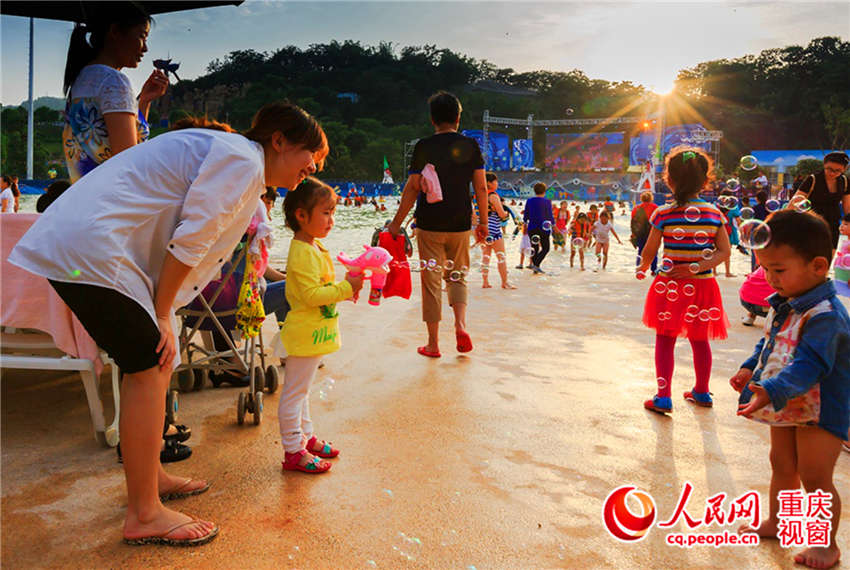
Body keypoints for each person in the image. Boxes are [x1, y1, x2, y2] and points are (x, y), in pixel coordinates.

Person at [9, 101, 329, 546]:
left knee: (154, 361)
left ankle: (151, 476)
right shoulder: (241, 160)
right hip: (92, 252)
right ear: (278, 141)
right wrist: (161, 314)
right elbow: (192, 239)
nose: (310, 169)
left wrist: (162, 313)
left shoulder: (234, 155)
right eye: (308, 157)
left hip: (92, 249)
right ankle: (144, 513)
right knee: (148, 363)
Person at [733, 210, 849, 570]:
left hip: (819, 408)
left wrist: (770, 389)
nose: (769, 278)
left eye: (778, 270)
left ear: (817, 266)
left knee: (815, 477)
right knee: (781, 463)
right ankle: (778, 522)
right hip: (786, 400)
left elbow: (810, 364)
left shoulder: (825, 314)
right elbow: (770, 342)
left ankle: (825, 545)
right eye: (765, 269)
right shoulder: (786, 304)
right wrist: (749, 367)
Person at [388, 91, 488, 358]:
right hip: (460, 223)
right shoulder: (470, 145)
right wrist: (484, 222)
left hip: (430, 223)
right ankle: (460, 325)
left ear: (433, 119)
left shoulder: (423, 146)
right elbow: (480, 187)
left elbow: (411, 189)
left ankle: (433, 344)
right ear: (458, 117)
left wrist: (396, 224)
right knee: (457, 276)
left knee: (431, 282)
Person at [636, 148, 731, 413]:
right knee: (700, 340)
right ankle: (702, 391)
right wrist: (697, 267)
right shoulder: (714, 213)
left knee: (665, 339)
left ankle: (663, 397)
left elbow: (650, 250)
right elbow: (724, 252)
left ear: (669, 179)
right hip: (703, 285)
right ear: (705, 180)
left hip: (669, 285)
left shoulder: (664, 213)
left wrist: (643, 266)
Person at [277, 177, 361, 473]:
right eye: (325, 212)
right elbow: (312, 295)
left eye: (332, 212)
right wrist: (345, 289)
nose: (332, 220)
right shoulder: (302, 252)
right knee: (295, 393)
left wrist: (346, 286)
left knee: (303, 390)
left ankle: (305, 436)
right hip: (303, 334)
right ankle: (293, 450)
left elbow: (322, 287)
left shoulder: (314, 246)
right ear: (301, 215)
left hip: (313, 333)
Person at [62, 5, 169, 183]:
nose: (145, 48)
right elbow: (127, 162)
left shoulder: (81, 80)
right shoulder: (114, 81)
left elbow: (111, 142)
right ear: (115, 32)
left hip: (86, 198)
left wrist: (144, 101)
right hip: (113, 202)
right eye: (142, 36)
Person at [790, 152, 850, 249]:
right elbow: (795, 201)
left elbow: (847, 207)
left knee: (831, 253)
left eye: (838, 170)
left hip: (833, 224)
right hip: (811, 223)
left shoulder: (845, 181)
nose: (832, 173)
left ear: (844, 169)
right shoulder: (813, 179)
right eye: (829, 169)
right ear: (824, 165)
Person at [480, 173, 516, 290]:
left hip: (484, 230)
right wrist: (506, 214)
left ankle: (485, 282)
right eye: (496, 181)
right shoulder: (493, 196)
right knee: (501, 257)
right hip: (494, 230)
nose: (497, 184)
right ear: (489, 183)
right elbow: (501, 214)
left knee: (486, 257)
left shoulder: (480, 195)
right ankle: (505, 282)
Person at [523, 182, 554, 274]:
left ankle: (535, 267)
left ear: (534, 191)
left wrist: (524, 224)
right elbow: (549, 216)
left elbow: (526, 215)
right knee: (546, 248)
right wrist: (554, 225)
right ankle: (536, 265)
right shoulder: (547, 202)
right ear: (544, 191)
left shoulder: (529, 201)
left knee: (534, 248)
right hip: (544, 228)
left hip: (532, 227)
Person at [631, 191, 658, 274]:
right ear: (651, 198)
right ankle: (653, 270)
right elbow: (658, 221)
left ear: (641, 198)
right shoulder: (655, 207)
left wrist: (633, 234)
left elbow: (632, 222)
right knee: (653, 251)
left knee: (640, 251)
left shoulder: (636, 208)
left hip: (640, 233)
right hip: (652, 233)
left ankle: (639, 268)